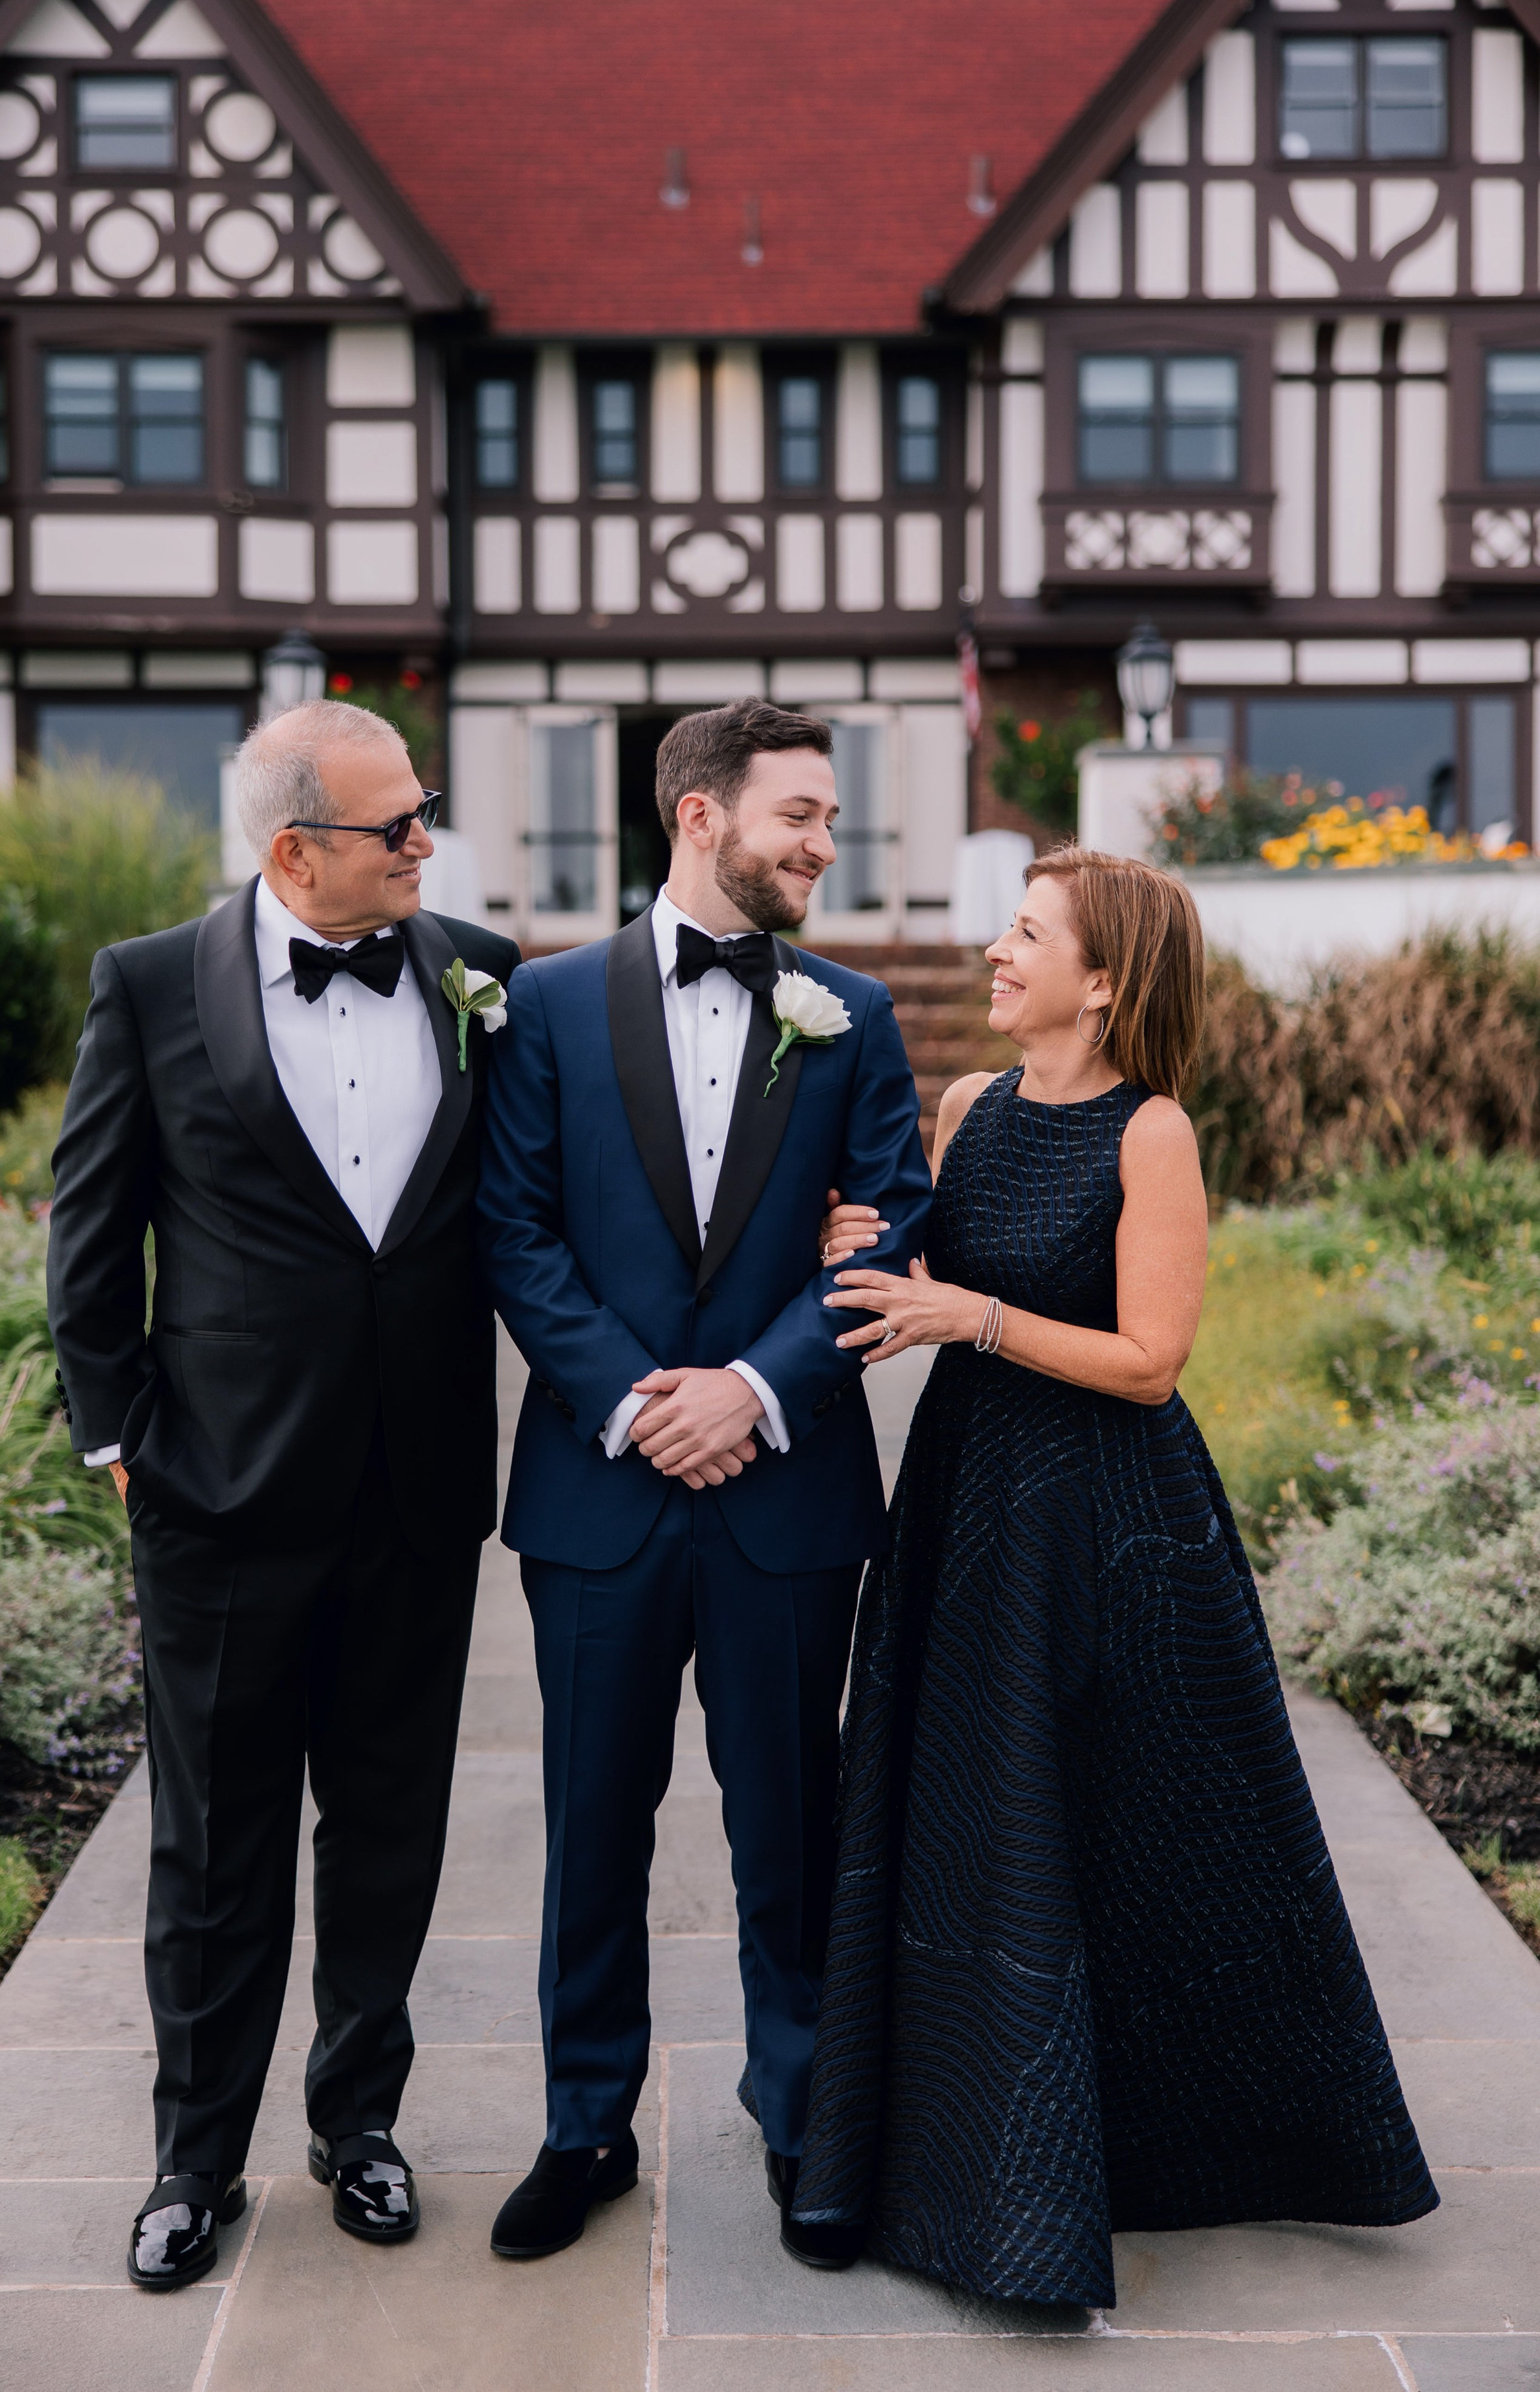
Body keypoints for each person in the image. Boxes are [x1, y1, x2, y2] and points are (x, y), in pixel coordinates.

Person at [795, 846, 1438, 2308]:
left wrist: (972, 1314)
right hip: (965, 1505)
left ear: (1102, 982)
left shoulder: (1152, 1135)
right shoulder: (967, 1106)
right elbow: (931, 1264)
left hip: (1105, 1528)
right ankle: (940, 2153)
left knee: (1125, 1838)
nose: (995, 952)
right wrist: (870, 1246)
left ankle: (1147, 2154)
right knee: (964, 1825)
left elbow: (1148, 1366)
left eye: (1026, 935)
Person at [46, 700, 519, 2290]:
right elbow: (91, 1239)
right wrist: (120, 1445)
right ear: (293, 847)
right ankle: (194, 2157)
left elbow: (557, 1195)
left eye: (427, 810)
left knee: (389, 1829)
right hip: (221, 1495)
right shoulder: (149, 985)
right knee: (215, 1842)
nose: (426, 844)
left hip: (419, 1488)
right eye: (400, 825)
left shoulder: (480, 972)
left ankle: (358, 2123)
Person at [476, 700, 932, 2265]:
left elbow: (896, 1225)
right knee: (591, 1825)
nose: (820, 843)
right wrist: (636, 1404)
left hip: (782, 1492)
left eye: (824, 818)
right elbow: (514, 1234)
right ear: (697, 816)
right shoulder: (540, 1006)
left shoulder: (852, 1016)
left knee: (788, 1830)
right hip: (598, 1500)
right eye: (796, 814)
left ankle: (804, 2121)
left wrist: (748, 1388)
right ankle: (581, 2123)